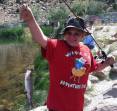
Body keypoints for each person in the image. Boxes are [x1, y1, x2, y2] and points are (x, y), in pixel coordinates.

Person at [20, 4, 115, 111]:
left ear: (83, 35)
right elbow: (40, 38)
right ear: (64, 34)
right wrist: (30, 20)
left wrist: (106, 63)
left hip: (77, 107)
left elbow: (94, 68)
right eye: (69, 33)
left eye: (76, 33)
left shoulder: (86, 50)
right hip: (57, 107)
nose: (72, 36)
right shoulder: (56, 46)